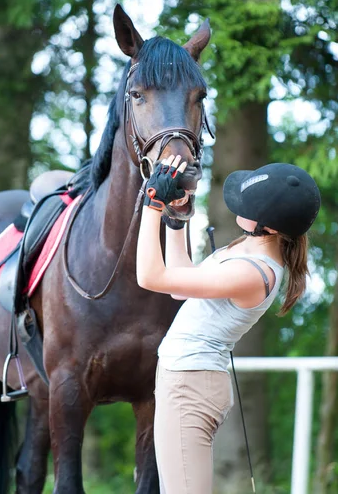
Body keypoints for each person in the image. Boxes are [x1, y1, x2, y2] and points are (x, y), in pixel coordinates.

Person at [136, 155, 321, 494]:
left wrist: (152, 203)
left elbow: (150, 276)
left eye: (248, 203)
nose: (238, 203)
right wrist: (177, 217)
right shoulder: (249, 247)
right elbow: (180, 285)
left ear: (270, 226)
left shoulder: (254, 272)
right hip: (188, 379)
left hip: (189, 386)